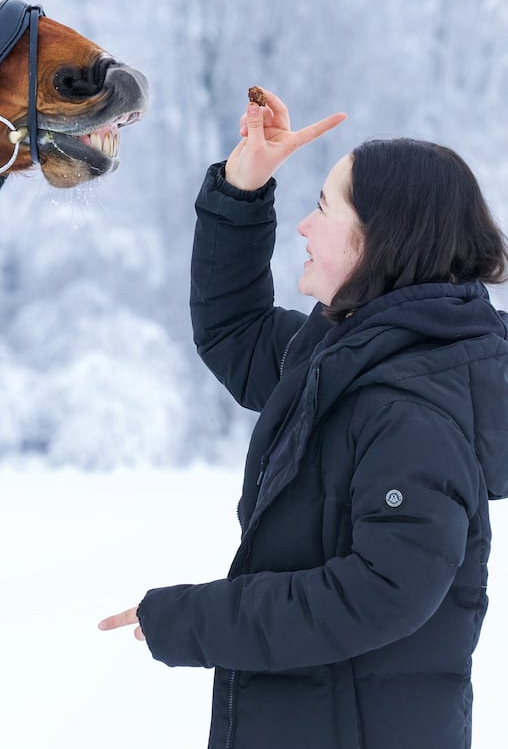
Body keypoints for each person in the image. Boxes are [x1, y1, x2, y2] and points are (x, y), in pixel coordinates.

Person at [99, 89, 508, 748]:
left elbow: (380, 593)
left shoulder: (410, 407)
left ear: (379, 241)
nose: (304, 228)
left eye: (322, 208)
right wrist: (241, 189)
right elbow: (236, 333)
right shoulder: (351, 359)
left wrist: (196, 620)